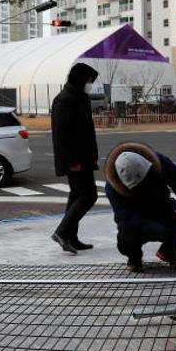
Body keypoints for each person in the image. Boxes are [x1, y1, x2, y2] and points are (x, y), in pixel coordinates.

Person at [104, 142, 176, 273]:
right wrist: (172, 235)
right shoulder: (113, 187)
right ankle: (134, 259)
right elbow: (131, 218)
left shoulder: (158, 161)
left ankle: (168, 252)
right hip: (138, 225)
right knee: (126, 239)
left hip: (164, 214)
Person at [51, 62, 100, 254]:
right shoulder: (65, 100)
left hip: (84, 157)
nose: (90, 84)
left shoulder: (79, 97)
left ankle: (71, 236)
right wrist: (71, 162)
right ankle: (62, 232)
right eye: (89, 80)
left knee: (77, 194)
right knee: (89, 195)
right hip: (75, 160)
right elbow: (62, 135)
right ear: (80, 79)